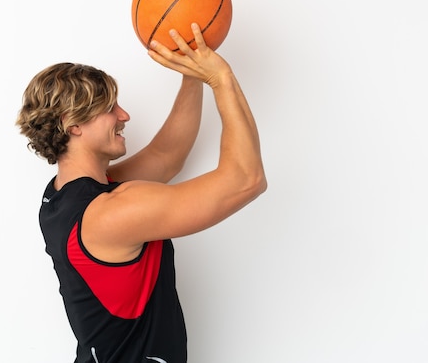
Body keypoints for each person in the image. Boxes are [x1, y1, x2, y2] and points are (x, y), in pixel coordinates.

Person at [15, 23, 267, 363]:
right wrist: (221, 78)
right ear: (72, 124)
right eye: (109, 109)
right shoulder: (110, 214)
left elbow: (166, 157)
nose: (124, 116)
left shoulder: (62, 197)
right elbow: (246, 179)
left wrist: (191, 74)